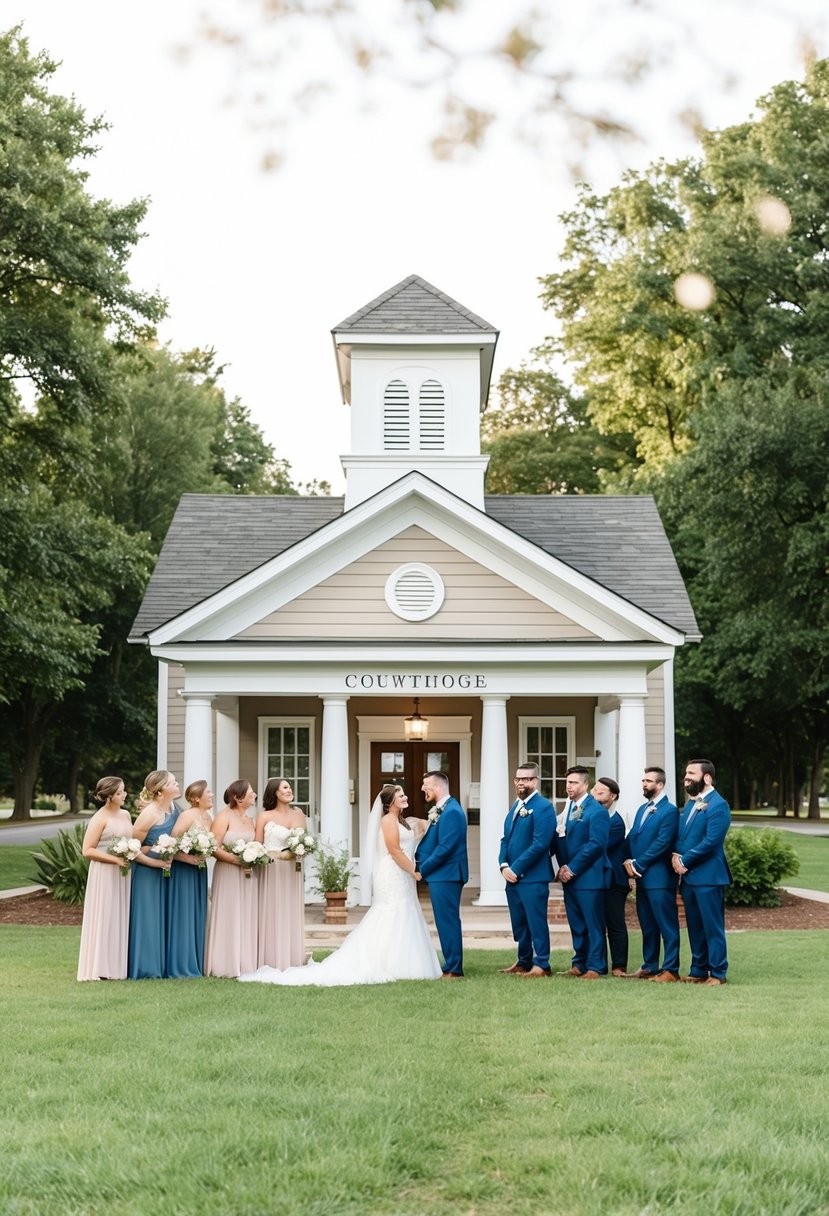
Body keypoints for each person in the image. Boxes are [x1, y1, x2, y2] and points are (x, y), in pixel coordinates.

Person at [239, 785, 441, 986]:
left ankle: (404, 960)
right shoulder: (388, 821)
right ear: (389, 803)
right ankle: (386, 961)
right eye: (400, 795)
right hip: (392, 873)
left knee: (406, 912)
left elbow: (417, 833)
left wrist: (435, 815)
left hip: (402, 874)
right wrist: (414, 872)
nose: (405, 797)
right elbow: (395, 851)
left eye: (404, 794)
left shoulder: (403, 821)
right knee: (391, 912)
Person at [673, 759, 732, 985]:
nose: (686, 777)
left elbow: (711, 842)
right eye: (685, 773)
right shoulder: (690, 804)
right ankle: (698, 970)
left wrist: (684, 861)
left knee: (712, 926)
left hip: (708, 876)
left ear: (707, 778)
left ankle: (718, 973)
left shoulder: (718, 805)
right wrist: (675, 856)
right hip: (689, 878)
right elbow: (683, 836)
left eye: (691, 773)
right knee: (695, 926)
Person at [497, 762, 556, 977]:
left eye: (526, 778)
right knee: (520, 922)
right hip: (512, 877)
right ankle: (523, 961)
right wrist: (503, 865)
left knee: (535, 921)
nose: (521, 782)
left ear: (535, 781)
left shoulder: (544, 807)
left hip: (533, 877)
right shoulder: (516, 807)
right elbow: (505, 839)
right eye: (518, 779)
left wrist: (516, 869)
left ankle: (542, 964)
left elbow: (540, 844)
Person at [552, 765, 610, 979]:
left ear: (586, 784)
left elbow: (595, 845)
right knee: (576, 923)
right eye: (567, 782)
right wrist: (561, 869)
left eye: (574, 782)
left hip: (590, 877)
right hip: (570, 878)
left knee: (593, 924)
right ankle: (579, 963)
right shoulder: (567, 809)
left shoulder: (597, 811)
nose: (569, 786)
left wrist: (572, 868)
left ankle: (595, 967)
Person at [623, 767, 680, 982]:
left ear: (661, 785)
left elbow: (663, 843)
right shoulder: (642, 809)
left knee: (667, 924)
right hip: (641, 877)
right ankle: (649, 966)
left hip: (659, 878)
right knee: (647, 924)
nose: (644, 784)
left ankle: (671, 969)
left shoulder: (670, 811)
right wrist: (628, 863)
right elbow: (634, 838)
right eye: (643, 780)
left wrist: (639, 863)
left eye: (649, 781)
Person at [77, 776, 134, 981]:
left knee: (119, 915)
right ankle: (99, 967)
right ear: (109, 796)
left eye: (124, 791)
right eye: (120, 792)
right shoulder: (100, 818)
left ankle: (116, 967)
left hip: (122, 873)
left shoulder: (126, 815)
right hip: (104, 872)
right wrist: (114, 860)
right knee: (104, 915)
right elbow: (87, 850)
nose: (124, 795)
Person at [415, 771, 469, 979]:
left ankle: (455, 968)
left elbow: (446, 847)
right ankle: (450, 964)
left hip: (447, 874)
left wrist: (423, 869)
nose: (422, 789)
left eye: (425, 784)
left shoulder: (452, 812)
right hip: (441, 874)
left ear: (438, 787)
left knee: (448, 921)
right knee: (443, 921)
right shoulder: (442, 810)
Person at [127, 770, 180, 979]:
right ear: (161, 791)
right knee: (148, 917)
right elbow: (133, 849)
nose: (177, 784)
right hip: (147, 872)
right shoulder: (149, 814)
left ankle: (163, 965)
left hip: (166, 870)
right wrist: (156, 861)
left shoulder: (174, 807)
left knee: (163, 916)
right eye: (173, 782)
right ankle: (146, 968)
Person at [205, 780, 259, 978]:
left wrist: (253, 857)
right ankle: (224, 964)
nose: (254, 795)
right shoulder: (223, 817)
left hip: (248, 875)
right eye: (251, 792)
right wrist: (239, 861)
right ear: (238, 798)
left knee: (245, 914)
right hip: (228, 872)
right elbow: (213, 848)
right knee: (229, 913)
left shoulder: (251, 820)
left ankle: (244, 962)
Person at [255, 777, 307, 970]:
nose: (289, 790)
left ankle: (292, 957)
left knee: (290, 910)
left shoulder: (299, 815)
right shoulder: (264, 816)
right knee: (272, 910)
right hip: (271, 868)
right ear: (275, 792)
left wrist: (300, 851)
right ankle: (270, 957)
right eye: (285, 787)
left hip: (292, 869)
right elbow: (257, 845)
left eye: (290, 787)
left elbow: (305, 843)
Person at [166, 779, 214, 979]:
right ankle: (181, 964)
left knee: (197, 914)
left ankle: (196, 961)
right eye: (208, 792)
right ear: (196, 798)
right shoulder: (187, 816)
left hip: (199, 871)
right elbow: (171, 845)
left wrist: (204, 854)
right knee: (184, 915)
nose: (211, 794)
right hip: (183, 871)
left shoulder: (209, 817)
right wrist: (189, 859)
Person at [592, 777, 629, 977]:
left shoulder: (616, 823)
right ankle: (599, 964)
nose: (595, 795)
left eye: (600, 792)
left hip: (615, 880)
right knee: (597, 924)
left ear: (612, 796)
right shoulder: (591, 817)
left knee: (615, 924)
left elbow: (599, 846)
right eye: (594, 791)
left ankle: (619, 966)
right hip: (597, 880)